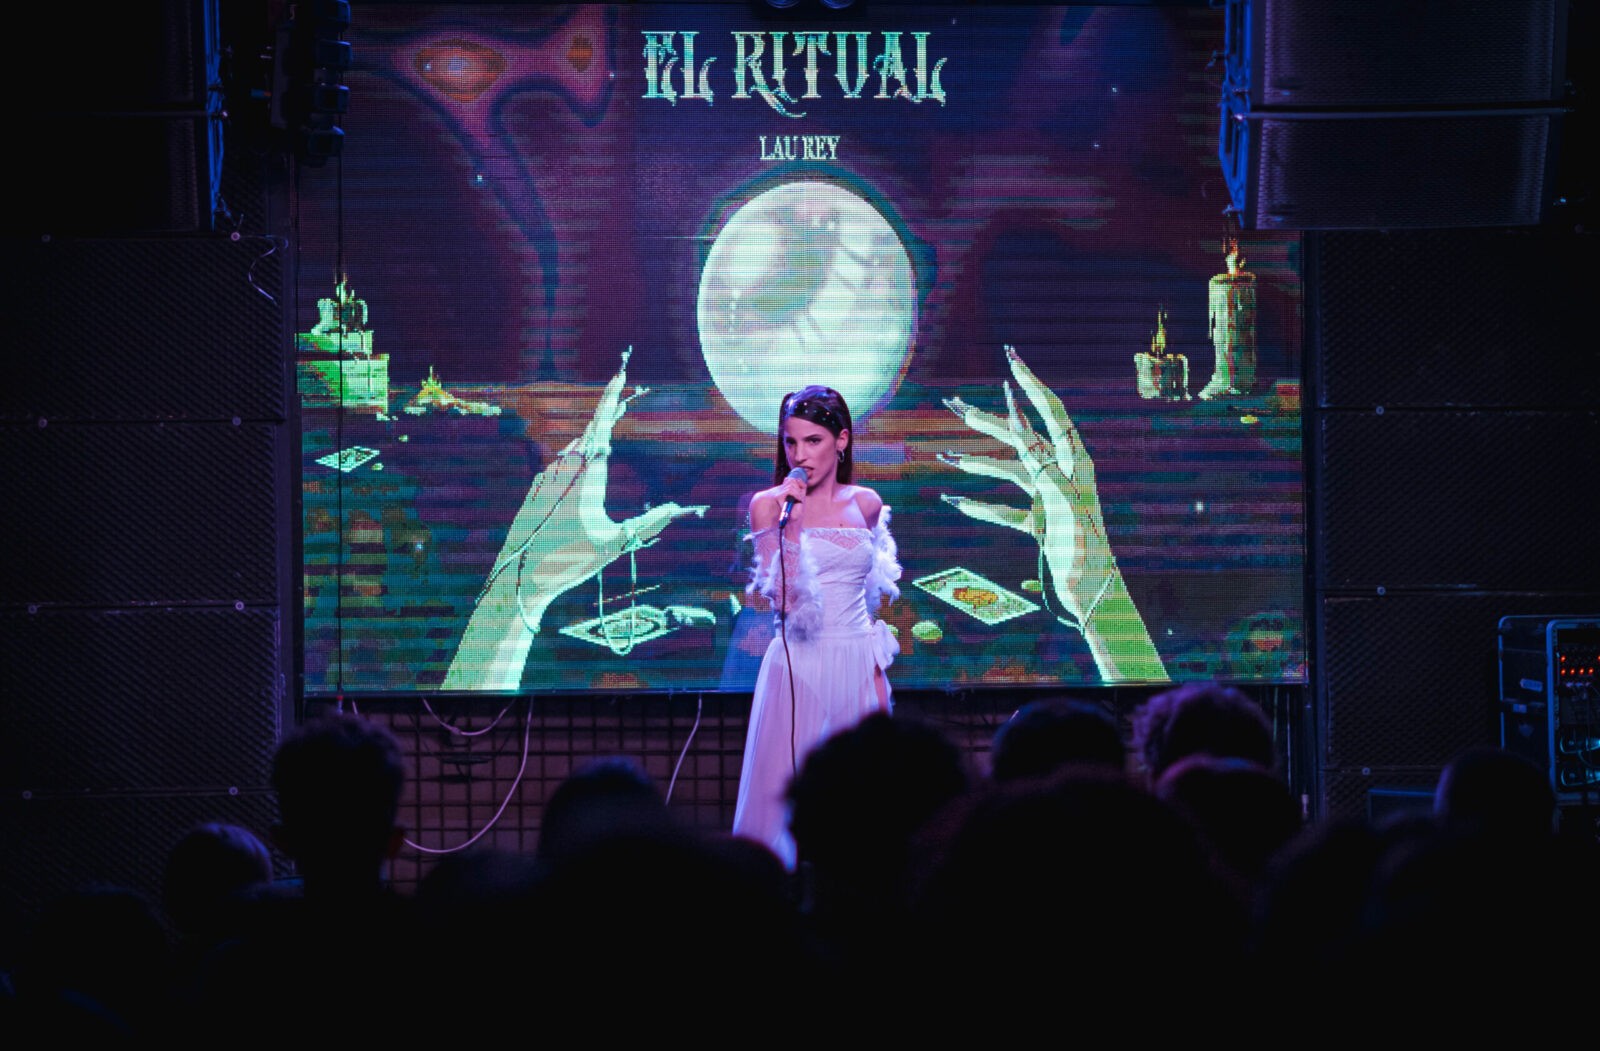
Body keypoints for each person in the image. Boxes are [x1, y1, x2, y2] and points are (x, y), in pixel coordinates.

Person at [731, 386, 901, 870]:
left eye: (813, 441)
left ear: (841, 441)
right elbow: (784, 600)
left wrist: (875, 675)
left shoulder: (866, 503)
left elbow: (868, 592)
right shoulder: (770, 506)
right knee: (784, 799)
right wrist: (792, 523)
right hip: (799, 664)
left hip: (857, 663)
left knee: (864, 802)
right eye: (791, 442)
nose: (800, 455)